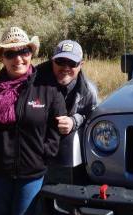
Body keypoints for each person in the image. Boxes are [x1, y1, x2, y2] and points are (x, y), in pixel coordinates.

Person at [0, 27, 67, 215]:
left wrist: (43, 154)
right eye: (10, 53)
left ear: (31, 54)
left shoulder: (47, 88)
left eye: (24, 51)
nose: (18, 58)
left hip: (32, 174)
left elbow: (56, 128)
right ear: (2, 58)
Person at [37, 40, 99, 173]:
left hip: (68, 150)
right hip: (36, 146)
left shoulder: (89, 91)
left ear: (81, 65)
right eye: (60, 61)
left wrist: (73, 121)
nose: (65, 67)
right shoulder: (34, 81)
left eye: (72, 63)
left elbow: (91, 115)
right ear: (52, 61)